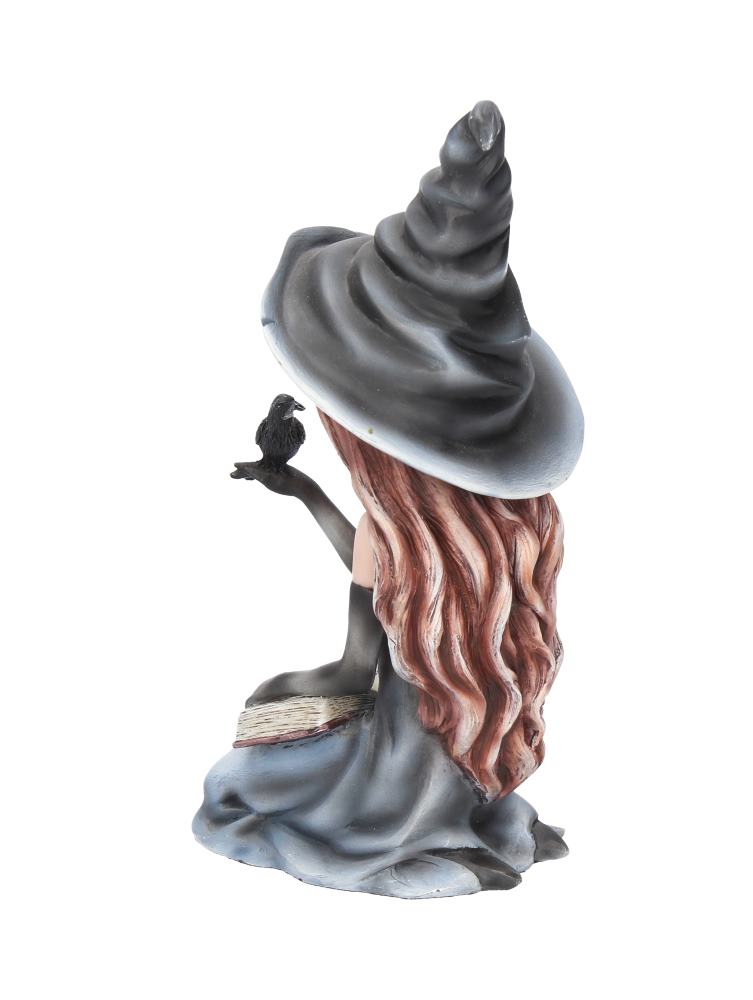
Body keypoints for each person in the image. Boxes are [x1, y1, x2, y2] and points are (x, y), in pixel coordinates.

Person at [193, 101, 584, 897]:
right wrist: (304, 489)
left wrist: (275, 700)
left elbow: (355, 660)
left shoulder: (400, 539)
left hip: (398, 774)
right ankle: (466, 824)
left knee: (257, 763)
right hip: (466, 751)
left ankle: (416, 835)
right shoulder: (485, 541)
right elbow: (383, 568)